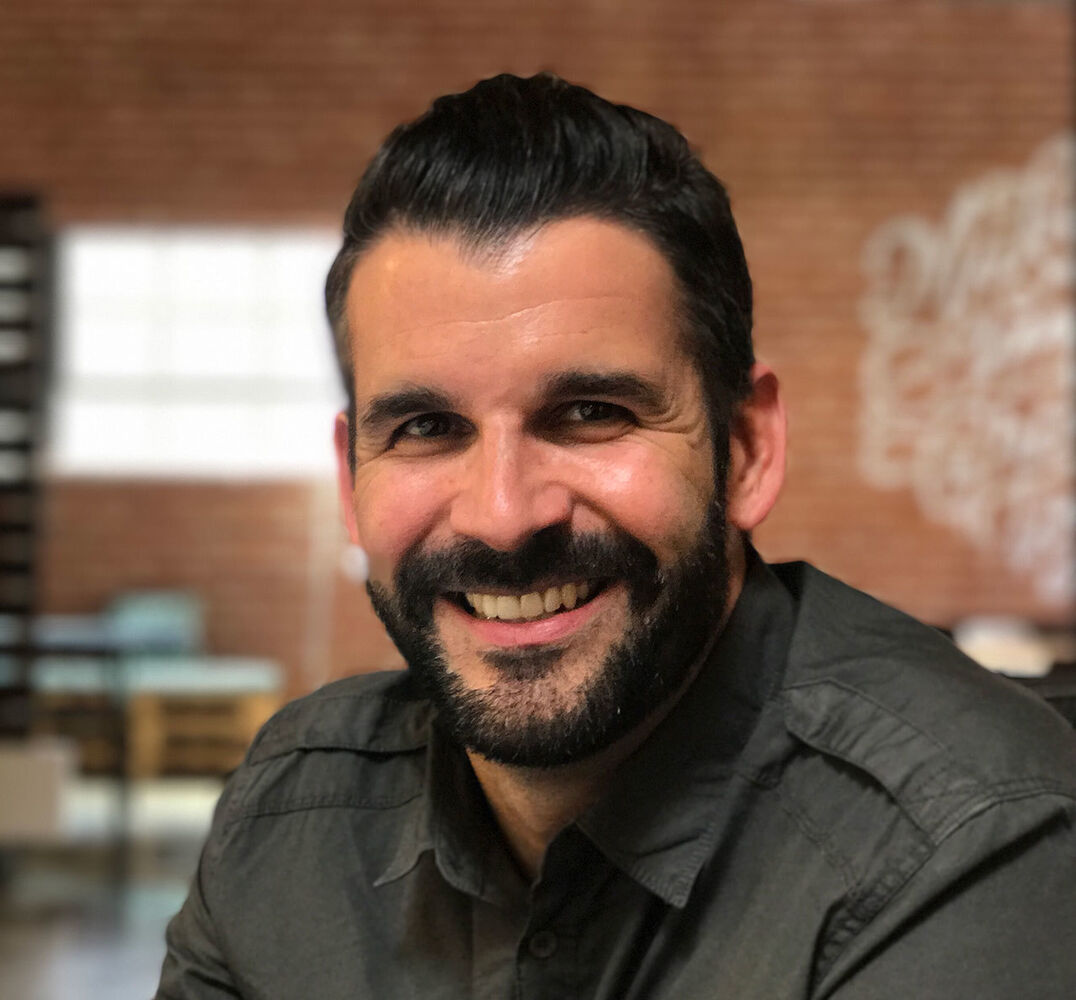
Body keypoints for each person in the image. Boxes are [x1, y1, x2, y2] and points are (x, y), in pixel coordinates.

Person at [156, 73, 1076, 999]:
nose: (504, 515)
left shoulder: (965, 844)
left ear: (747, 448)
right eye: (427, 429)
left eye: (591, 412)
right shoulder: (290, 819)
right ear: (352, 484)